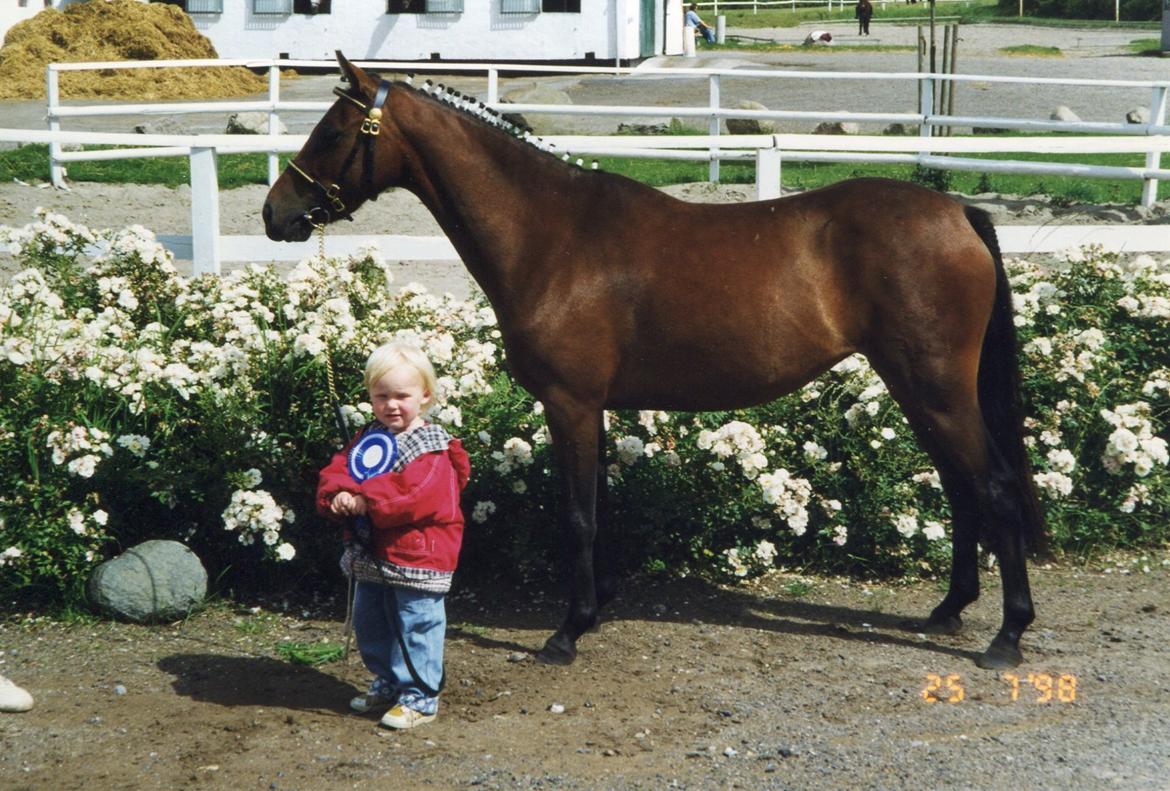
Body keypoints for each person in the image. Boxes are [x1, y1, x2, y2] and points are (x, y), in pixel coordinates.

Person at [317, 341, 471, 730]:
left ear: (425, 396)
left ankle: (420, 694)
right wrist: (338, 494)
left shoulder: (433, 446)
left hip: (419, 556)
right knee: (371, 620)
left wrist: (367, 500)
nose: (392, 405)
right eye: (381, 395)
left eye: (402, 396)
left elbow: (417, 493)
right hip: (373, 554)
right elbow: (340, 469)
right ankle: (387, 679)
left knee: (416, 623)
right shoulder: (370, 437)